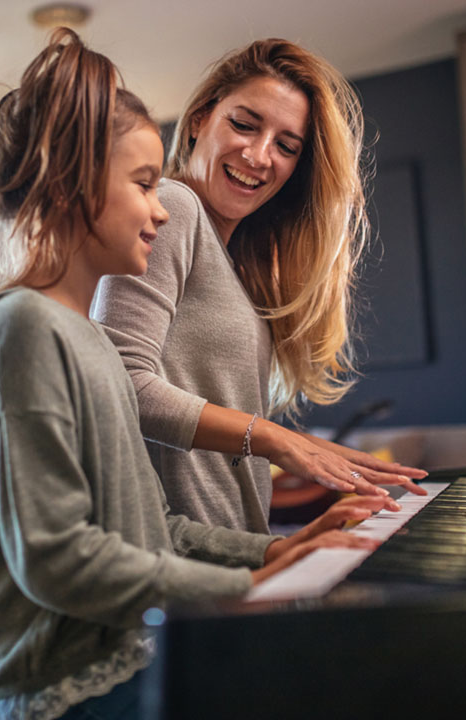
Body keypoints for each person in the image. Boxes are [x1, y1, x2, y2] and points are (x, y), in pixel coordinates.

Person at [0, 29, 394, 720]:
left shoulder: (84, 342)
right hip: (76, 687)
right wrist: (235, 587)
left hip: (134, 651)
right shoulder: (20, 330)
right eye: (144, 184)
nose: (162, 205)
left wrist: (272, 551)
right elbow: (57, 559)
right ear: (73, 186)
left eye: (159, 184)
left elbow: (153, 527)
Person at [93, 38, 428, 534]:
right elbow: (120, 382)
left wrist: (322, 453)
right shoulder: (173, 208)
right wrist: (272, 438)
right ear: (203, 117)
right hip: (177, 555)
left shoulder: (233, 260)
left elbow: (212, 413)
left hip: (230, 546)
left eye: (286, 146)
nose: (258, 154)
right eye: (244, 125)